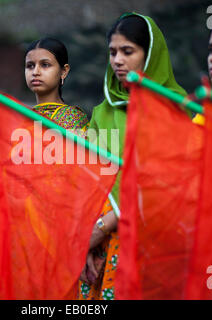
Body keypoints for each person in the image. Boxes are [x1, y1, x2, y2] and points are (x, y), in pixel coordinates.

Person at [79, 12, 186, 300]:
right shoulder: (102, 113)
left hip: (153, 245)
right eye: (112, 52)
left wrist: (102, 227)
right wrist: (86, 241)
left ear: (150, 55)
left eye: (128, 51)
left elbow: (167, 185)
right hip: (101, 249)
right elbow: (89, 179)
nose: (117, 60)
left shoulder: (175, 109)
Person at [25, 37, 88, 131]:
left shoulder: (73, 119)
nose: (35, 72)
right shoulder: (22, 117)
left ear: (64, 71)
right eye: (30, 66)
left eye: (45, 65)